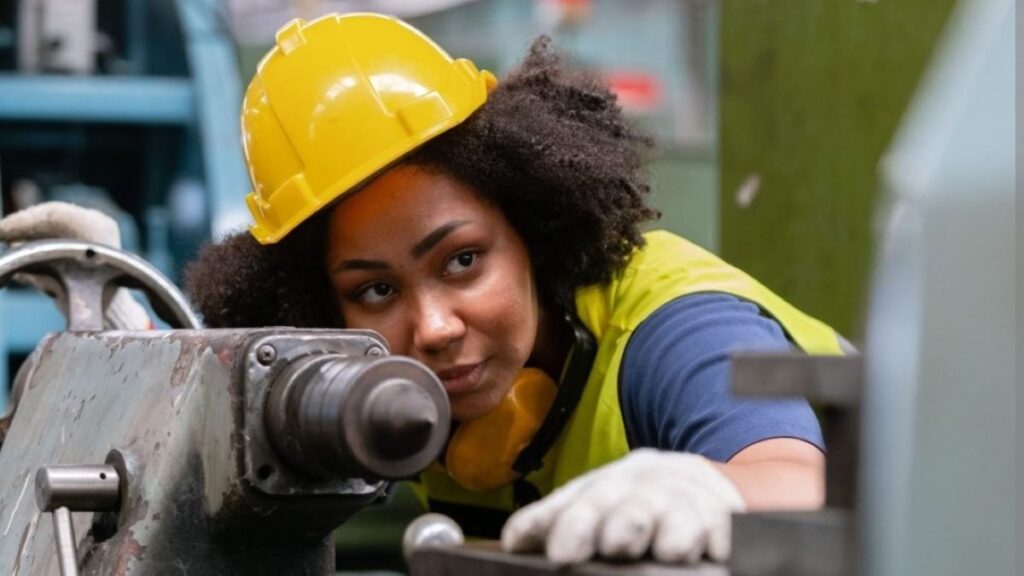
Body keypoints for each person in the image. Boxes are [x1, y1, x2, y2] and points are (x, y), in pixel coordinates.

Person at [0, 13, 843, 566]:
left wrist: (708, 489)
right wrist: (140, 364)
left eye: (463, 261)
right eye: (373, 293)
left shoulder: (676, 328)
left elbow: (792, 483)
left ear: (533, 227)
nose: (432, 328)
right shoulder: (416, 396)